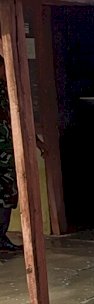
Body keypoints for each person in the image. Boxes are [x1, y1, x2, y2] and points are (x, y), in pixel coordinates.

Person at [0, 62, 21, 252]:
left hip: (5, 152)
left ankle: (1, 237)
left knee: (7, 196)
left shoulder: (5, 90)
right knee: (6, 195)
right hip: (3, 155)